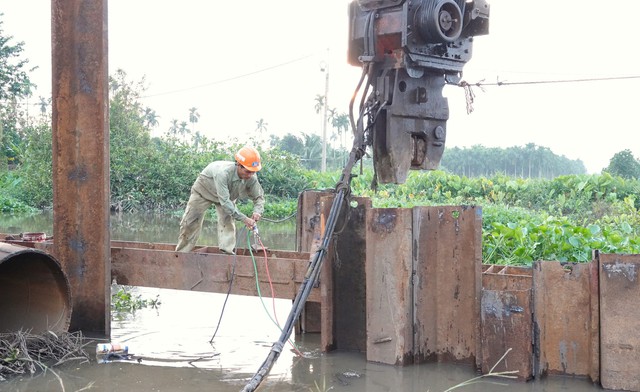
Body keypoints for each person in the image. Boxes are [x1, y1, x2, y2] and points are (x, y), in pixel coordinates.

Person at [175, 146, 265, 254]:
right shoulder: (223, 173)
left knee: (227, 222)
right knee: (190, 222)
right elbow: (225, 202)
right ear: (239, 165)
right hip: (203, 192)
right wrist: (244, 219)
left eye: (253, 172)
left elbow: (259, 197)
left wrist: (257, 211)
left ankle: (227, 252)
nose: (250, 175)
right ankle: (181, 253)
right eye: (248, 171)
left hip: (227, 197)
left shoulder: (251, 178)